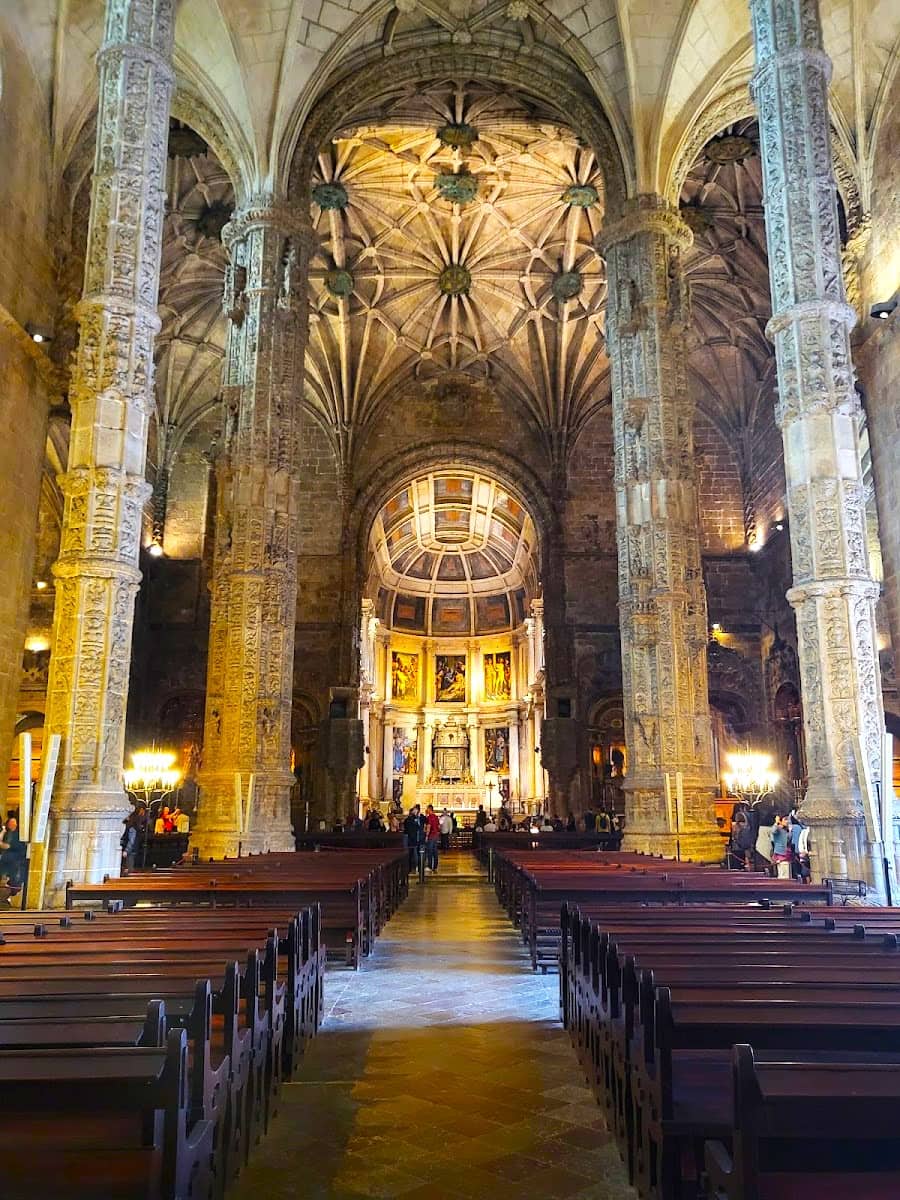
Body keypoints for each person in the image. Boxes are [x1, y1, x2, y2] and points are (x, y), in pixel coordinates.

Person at [0, 816, 25, 890]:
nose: (14, 824)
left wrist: (1, 844)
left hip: (13, 860)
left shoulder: (16, 835)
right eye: (11, 823)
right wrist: (3, 831)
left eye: (14, 823)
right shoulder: (8, 833)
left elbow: (7, 846)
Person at [770, 813, 792, 879]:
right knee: (782, 874)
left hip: (787, 853)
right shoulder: (778, 829)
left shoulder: (786, 830)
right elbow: (773, 831)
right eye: (785, 820)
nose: (787, 821)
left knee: (787, 873)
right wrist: (777, 823)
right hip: (780, 853)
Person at [403, 804, 425, 870]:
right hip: (414, 839)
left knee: (412, 854)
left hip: (412, 839)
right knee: (414, 854)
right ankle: (415, 867)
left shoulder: (407, 820)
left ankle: (411, 867)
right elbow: (417, 827)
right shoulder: (412, 820)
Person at [423, 804, 441, 871]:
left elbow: (429, 827)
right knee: (435, 851)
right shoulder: (436, 817)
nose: (426, 810)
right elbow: (439, 827)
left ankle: (430, 866)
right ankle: (435, 866)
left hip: (431, 836)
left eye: (427, 809)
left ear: (430, 809)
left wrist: (427, 836)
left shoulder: (429, 817)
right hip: (436, 835)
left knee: (429, 851)